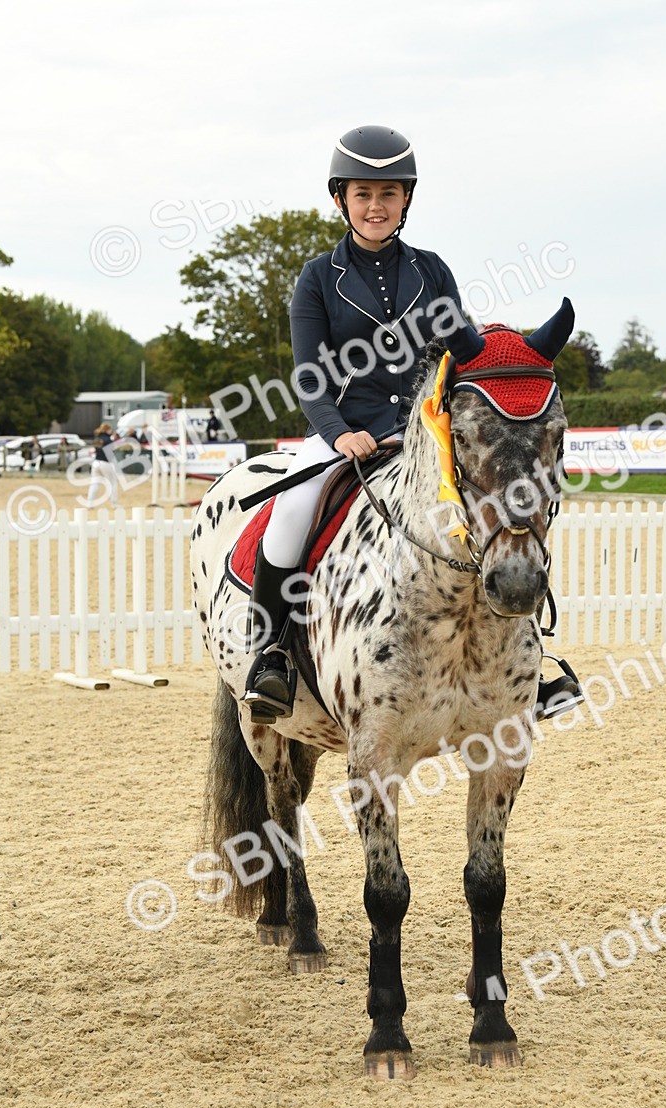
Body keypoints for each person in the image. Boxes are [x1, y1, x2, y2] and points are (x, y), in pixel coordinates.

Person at [243, 124, 581, 724]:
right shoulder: (319, 278)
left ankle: (531, 662)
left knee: (498, 510)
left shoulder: (433, 272)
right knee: (291, 511)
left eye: (389, 194)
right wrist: (339, 431)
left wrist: (454, 421)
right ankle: (271, 656)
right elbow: (309, 376)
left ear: (406, 201)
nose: (376, 206)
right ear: (341, 198)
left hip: (425, 436)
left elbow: (463, 356)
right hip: (345, 433)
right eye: (363, 195)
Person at [86, 422, 118, 506]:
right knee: (112, 482)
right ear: (107, 430)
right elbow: (111, 452)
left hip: (96, 462)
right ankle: (114, 503)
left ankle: (89, 503)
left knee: (95, 483)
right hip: (105, 462)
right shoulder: (108, 440)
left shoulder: (97, 438)